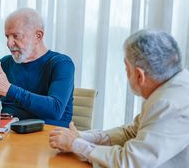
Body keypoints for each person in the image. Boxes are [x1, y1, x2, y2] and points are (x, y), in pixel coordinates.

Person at [49, 30, 189, 167]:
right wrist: (83, 137)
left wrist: (76, 144)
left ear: (140, 75)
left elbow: (130, 162)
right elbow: (132, 132)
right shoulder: (173, 86)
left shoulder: (169, 103)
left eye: (126, 68)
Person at [0, 8, 74, 127]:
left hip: (46, 137)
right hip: (6, 135)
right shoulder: (4, 63)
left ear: (38, 36)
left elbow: (55, 109)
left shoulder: (61, 63)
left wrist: (9, 89)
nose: (9, 43)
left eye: (16, 36)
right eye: (7, 37)